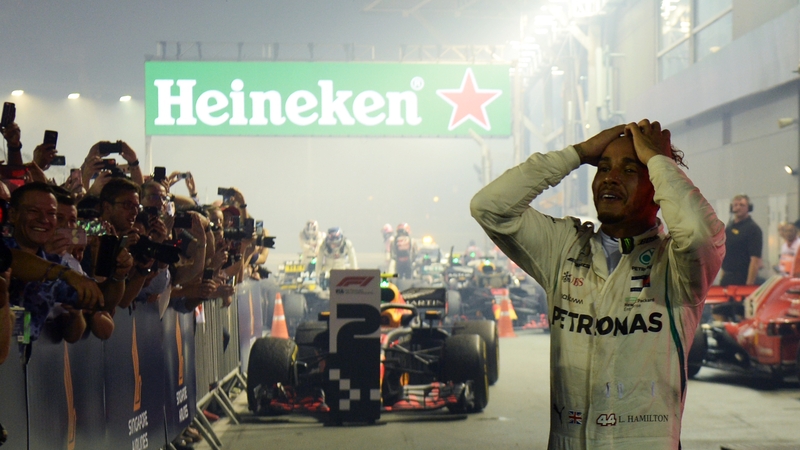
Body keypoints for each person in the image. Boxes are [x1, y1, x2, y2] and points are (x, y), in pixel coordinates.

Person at [470, 120, 725, 449]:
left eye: (629, 169)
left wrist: (660, 161)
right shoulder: (563, 249)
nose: (610, 178)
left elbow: (699, 233)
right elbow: (489, 207)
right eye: (603, 167)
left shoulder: (676, 266)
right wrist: (576, 154)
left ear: (659, 189)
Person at [719, 194, 762, 286]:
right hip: (727, 278)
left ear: (748, 208)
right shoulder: (729, 228)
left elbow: (755, 260)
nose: (738, 208)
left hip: (742, 278)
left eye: (742, 205)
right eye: (735, 205)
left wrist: (749, 285)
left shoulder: (753, 229)